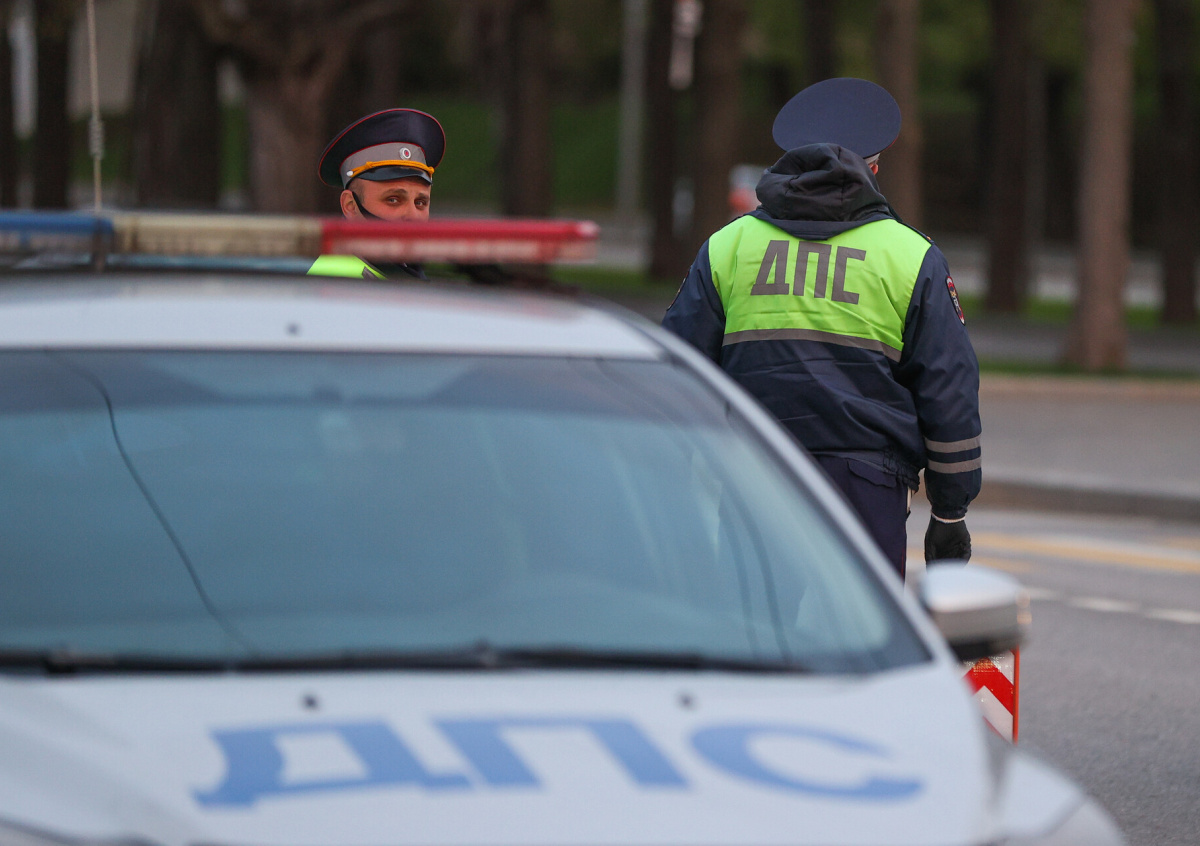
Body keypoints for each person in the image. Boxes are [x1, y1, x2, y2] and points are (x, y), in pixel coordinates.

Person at [661, 78, 980, 579]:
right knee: (862, 629)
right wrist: (950, 512)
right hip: (868, 487)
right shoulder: (910, 256)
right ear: (874, 169)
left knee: (759, 627)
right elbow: (948, 390)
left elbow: (674, 377)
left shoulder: (728, 246)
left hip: (756, 475)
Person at [309, 108, 446, 280]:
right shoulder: (333, 283)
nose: (413, 216)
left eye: (420, 202)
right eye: (393, 200)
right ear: (350, 206)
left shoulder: (402, 271)